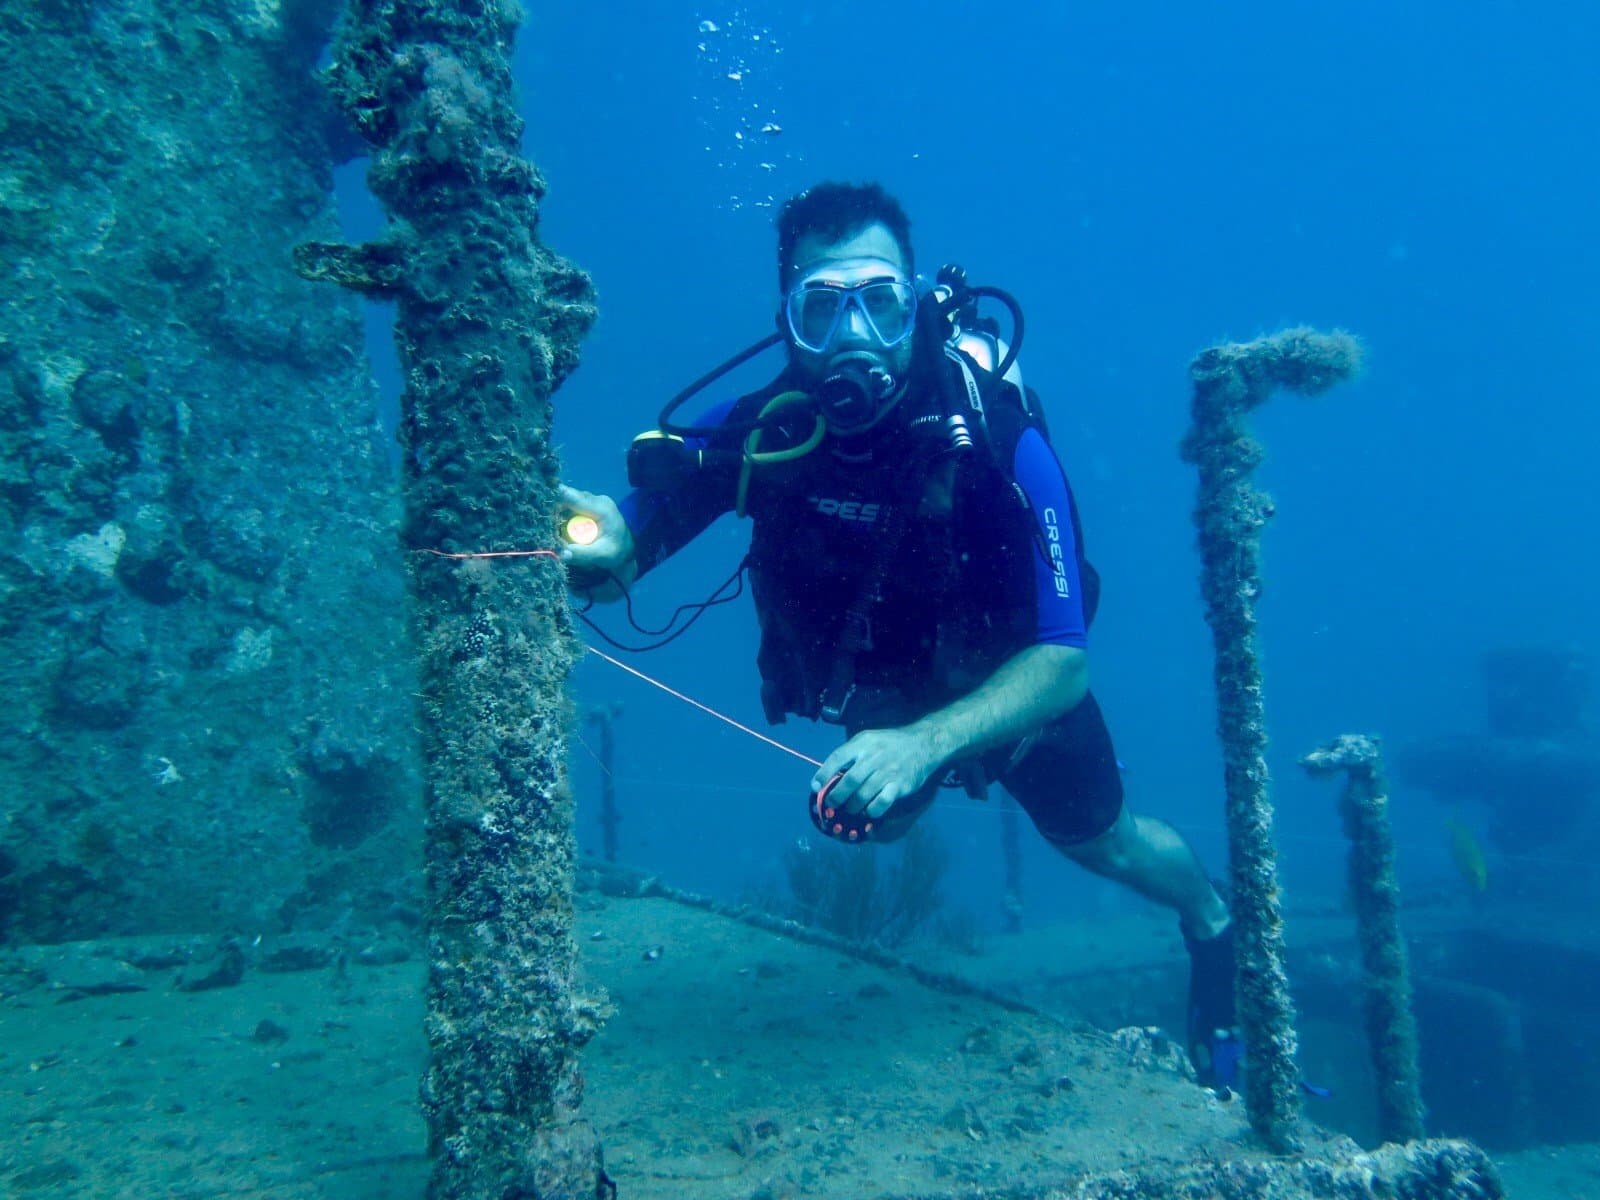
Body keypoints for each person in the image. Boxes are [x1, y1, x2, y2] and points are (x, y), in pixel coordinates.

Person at [559, 181, 1240, 1089]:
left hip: (1014, 689)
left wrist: (927, 744)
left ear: (913, 301)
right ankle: (911, 773)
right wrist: (603, 547)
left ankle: (1211, 918)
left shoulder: (998, 436)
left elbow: (1066, 660)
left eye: (878, 301)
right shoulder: (768, 431)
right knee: (878, 826)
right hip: (886, 701)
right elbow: (628, 549)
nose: (854, 338)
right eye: (822, 307)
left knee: (1101, 843)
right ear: (788, 320)